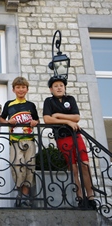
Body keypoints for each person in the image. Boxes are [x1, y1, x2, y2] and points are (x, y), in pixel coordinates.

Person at [43, 75, 96, 209]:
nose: (59, 88)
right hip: (62, 138)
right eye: (56, 86)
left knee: (84, 165)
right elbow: (47, 119)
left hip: (76, 136)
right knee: (73, 169)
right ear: (51, 89)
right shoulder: (48, 101)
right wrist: (67, 121)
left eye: (61, 85)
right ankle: (80, 198)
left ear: (64, 87)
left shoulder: (70, 99)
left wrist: (58, 115)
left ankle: (90, 197)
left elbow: (76, 117)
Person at [0, 77, 39, 208]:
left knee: (30, 167)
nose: (21, 90)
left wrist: (35, 123)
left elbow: (36, 120)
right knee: (17, 166)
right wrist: (7, 122)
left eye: (23, 87)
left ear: (27, 89)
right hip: (15, 140)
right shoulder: (9, 104)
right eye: (18, 87)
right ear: (13, 89)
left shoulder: (31, 105)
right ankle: (19, 194)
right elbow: (1, 119)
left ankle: (25, 197)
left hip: (29, 139)